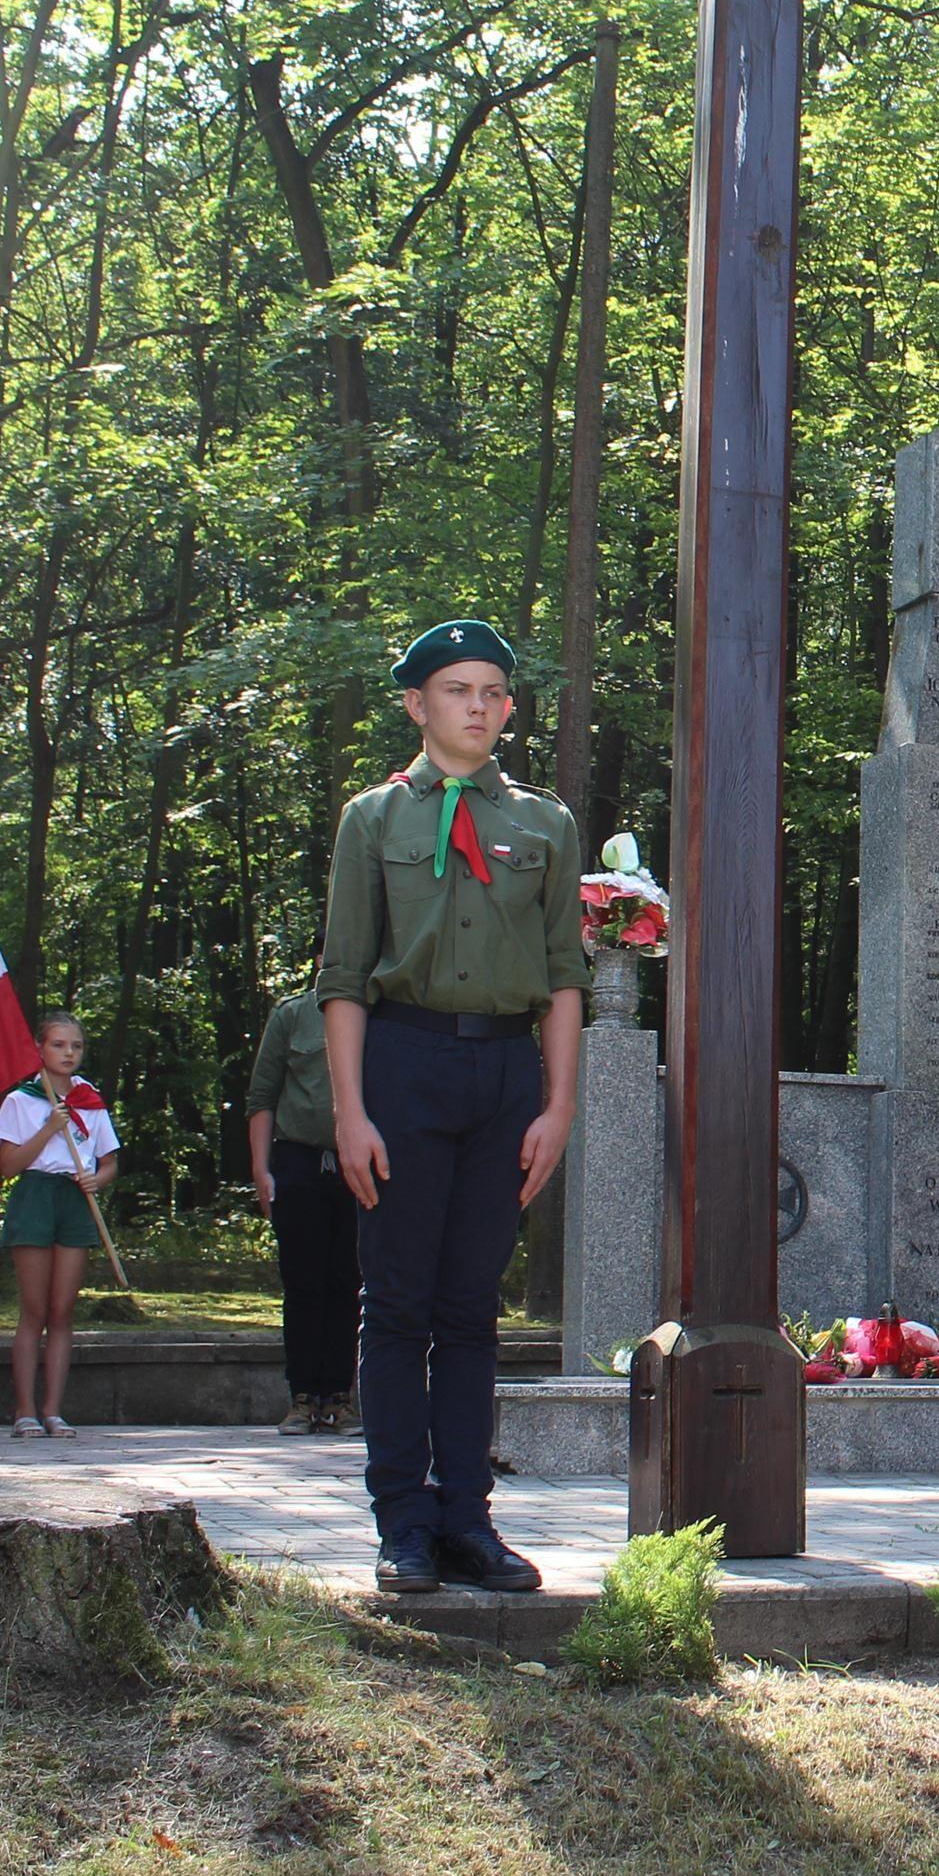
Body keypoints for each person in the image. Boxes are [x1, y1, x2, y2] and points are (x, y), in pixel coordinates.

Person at [316, 619, 589, 1597]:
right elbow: (343, 978)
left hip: (503, 1076)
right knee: (396, 1306)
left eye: (492, 692)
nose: (478, 706)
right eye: (457, 690)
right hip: (403, 1064)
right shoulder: (372, 819)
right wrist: (350, 1111)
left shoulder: (546, 824)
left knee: (473, 1309)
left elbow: (564, 977)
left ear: (508, 708)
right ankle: (404, 1523)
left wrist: (559, 1107)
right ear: (417, 704)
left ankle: (469, 1516)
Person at [0, 1009, 117, 1439]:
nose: (68, 1053)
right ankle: (24, 1410)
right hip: (35, 1196)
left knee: (63, 1311)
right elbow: (7, 1166)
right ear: (40, 1049)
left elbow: (109, 1162)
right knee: (35, 1309)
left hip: (74, 1199)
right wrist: (49, 1129)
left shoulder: (90, 1098)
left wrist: (95, 1179)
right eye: (59, 1045)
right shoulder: (20, 1100)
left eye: (76, 1046)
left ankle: (53, 1411)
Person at [246, 983, 357, 1436]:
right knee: (303, 1281)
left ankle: (341, 1398)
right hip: (298, 1160)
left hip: (356, 1161)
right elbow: (262, 1096)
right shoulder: (291, 1015)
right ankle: (302, 1397)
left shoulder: (377, 1011)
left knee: (349, 1282)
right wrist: (261, 1170)